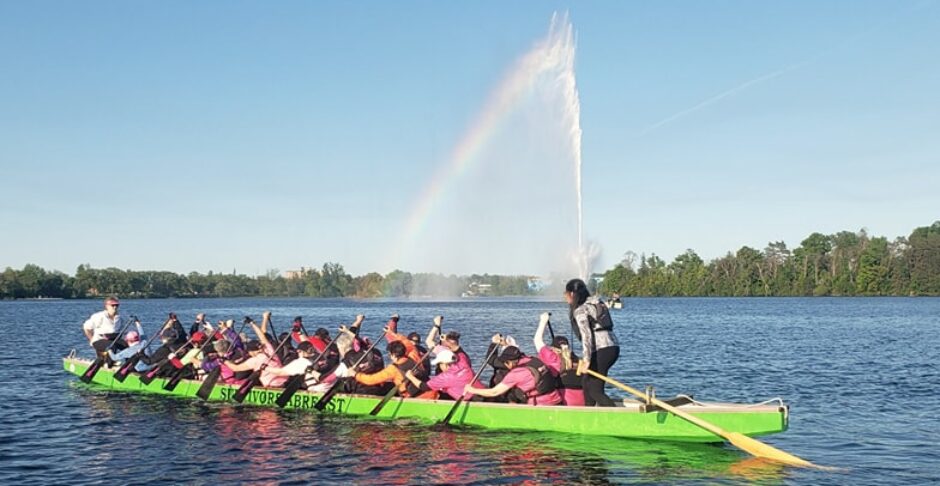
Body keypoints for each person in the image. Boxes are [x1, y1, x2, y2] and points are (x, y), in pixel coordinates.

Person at [566, 278, 620, 407]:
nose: (565, 297)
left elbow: (586, 336)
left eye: (566, 294)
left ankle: (616, 417)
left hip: (603, 349)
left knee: (595, 390)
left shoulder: (580, 310)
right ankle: (589, 411)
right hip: (612, 347)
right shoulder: (597, 302)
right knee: (586, 382)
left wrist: (586, 360)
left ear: (572, 294)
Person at [464, 346, 562, 405]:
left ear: (510, 362)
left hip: (540, 405)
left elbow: (494, 392)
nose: (505, 366)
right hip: (557, 399)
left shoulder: (516, 374)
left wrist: (472, 390)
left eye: (505, 363)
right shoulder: (534, 360)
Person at [337, 341, 434, 398]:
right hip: (432, 392)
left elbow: (371, 380)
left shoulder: (393, 369)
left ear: (394, 355)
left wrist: (355, 374)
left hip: (419, 398)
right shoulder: (413, 358)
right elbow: (409, 344)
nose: (389, 357)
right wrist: (391, 332)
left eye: (389, 354)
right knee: (390, 385)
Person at [534, 312, 584, 406]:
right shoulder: (576, 358)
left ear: (553, 349)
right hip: (582, 401)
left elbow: (537, 340)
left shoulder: (551, 357)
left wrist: (543, 321)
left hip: (563, 402)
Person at [220, 320, 288, 388]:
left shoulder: (254, 361)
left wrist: (224, 361)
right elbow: (262, 336)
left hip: (271, 386)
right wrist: (252, 323)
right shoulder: (269, 351)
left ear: (252, 351)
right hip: (285, 383)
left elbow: (235, 368)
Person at [403, 349, 483, 400]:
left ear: (444, 364)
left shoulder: (445, 377)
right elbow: (459, 350)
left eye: (439, 364)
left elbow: (424, 387)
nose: (439, 367)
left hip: (472, 401)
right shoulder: (463, 361)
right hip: (484, 394)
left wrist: (411, 376)